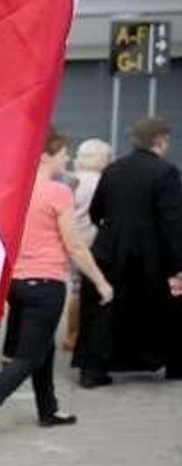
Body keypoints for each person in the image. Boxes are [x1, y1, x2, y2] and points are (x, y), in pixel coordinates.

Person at [0, 133, 114, 444]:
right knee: (28, 356)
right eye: (62, 154)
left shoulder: (14, 190)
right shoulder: (57, 192)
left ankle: (49, 409)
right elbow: (74, 244)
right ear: (45, 156)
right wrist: (100, 281)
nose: (67, 160)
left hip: (17, 283)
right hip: (46, 284)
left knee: (42, 347)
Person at [74, 117, 182, 387]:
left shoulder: (112, 170)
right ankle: (170, 363)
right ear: (161, 140)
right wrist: (177, 262)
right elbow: (173, 221)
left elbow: (96, 210)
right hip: (149, 253)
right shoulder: (167, 172)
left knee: (105, 308)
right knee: (165, 307)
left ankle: (93, 369)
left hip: (109, 247)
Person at [62, 138, 113, 352]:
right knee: (90, 291)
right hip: (91, 243)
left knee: (75, 290)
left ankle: (70, 336)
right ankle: (80, 337)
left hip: (71, 240)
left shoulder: (70, 180)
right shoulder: (100, 182)